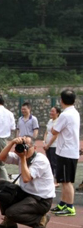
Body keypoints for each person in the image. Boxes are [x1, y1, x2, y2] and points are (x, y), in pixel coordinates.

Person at [0, 135, 54, 228]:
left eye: (26, 146)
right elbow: (1, 157)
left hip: (41, 200)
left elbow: (26, 178)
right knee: (0, 185)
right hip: (26, 193)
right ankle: (10, 221)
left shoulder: (41, 160)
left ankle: (39, 220)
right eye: (21, 145)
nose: (23, 149)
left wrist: (23, 158)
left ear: (34, 148)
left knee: (11, 213)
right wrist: (12, 143)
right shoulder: (20, 156)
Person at [49, 89, 80, 217]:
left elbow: (54, 131)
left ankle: (70, 207)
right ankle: (63, 203)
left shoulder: (65, 115)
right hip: (68, 150)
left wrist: (54, 127)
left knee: (66, 181)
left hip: (66, 152)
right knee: (63, 179)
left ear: (61, 100)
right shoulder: (75, 112)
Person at [42, 106, 61, 187]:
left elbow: (55, 135)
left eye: (53, 111)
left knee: (54, 163)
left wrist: (48, 144)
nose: (51, 113)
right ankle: (50, 180)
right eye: (51, 111)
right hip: (47, 145)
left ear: (58, 113)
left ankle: (57, 181)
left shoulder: (58, 122)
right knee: (49, 163)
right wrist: (44, 142)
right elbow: (46, 132)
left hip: (54, 145)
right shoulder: (50, 121)